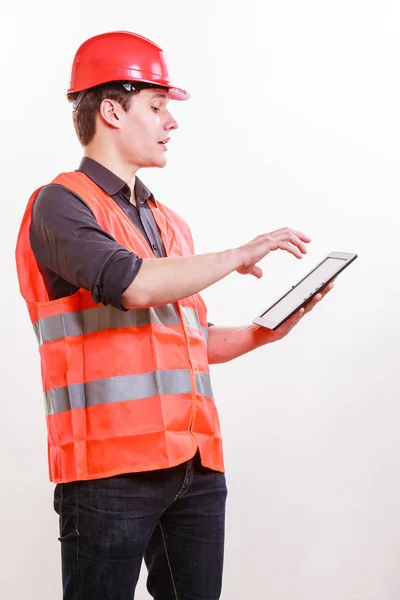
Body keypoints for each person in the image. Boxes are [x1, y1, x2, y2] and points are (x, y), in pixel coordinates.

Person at [15, 30, 333, 600]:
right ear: (111, 110)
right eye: (157, 107)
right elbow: (131, 287)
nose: (172, 122)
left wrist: (264, 334)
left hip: (195, 466)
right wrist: (238, 255)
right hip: (109, 475)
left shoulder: (170, 222)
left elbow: (188, 338)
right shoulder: (60, 205)